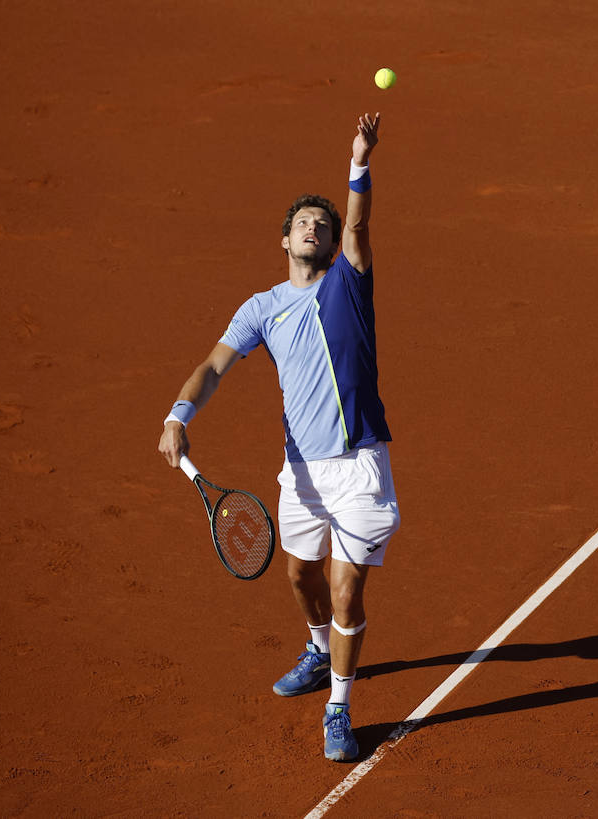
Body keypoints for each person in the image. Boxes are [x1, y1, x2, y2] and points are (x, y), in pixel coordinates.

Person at [157, 113, 399, 762]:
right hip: (301, 474)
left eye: (321, 223)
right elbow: (212, 366)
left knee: (348, 588)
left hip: (358, 468)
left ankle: (339, 707)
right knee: (299, 575)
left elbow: (356, 222)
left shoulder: (348, 281)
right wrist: (180, 413)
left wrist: (358, 161)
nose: (314, 227)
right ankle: (320, 648)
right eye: (303, 223)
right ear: (283, 240)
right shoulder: (261, 307)